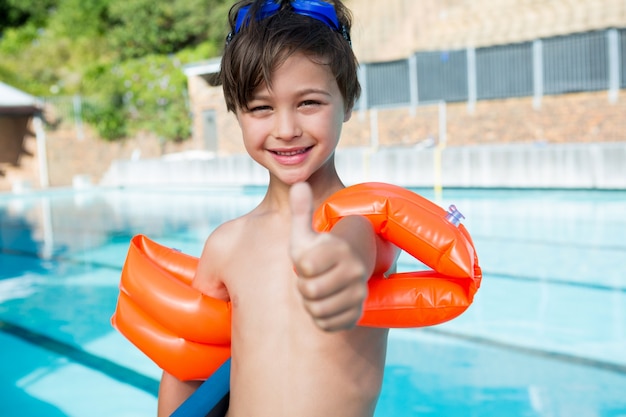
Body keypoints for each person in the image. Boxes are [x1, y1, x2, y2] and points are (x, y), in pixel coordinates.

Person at [157, 1, 399, 416]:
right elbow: (187, 367)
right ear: (236, 112)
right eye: (261, 108)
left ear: (349, 100)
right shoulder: (226, 244)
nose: (286, 129)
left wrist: (339, 272)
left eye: (309, 103)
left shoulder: (367, 223)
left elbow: (351, 251)